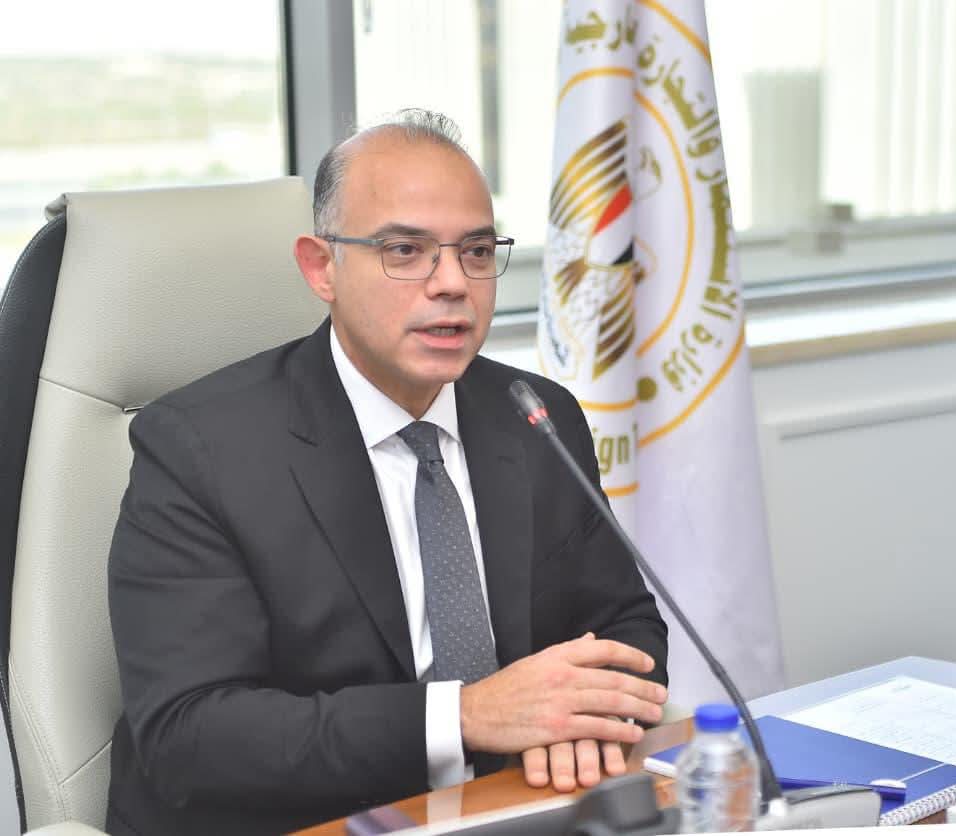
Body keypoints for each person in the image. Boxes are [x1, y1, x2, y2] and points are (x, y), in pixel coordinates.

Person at [105, 109, 669, 836]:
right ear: (322, 268)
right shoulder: (198, 449)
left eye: (476, 251)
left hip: (512, 807)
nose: (452, 283)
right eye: (406, 250)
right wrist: (464, 717)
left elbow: (627, 625)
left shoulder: (535, 415)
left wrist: (582, 719)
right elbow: (190, 738)